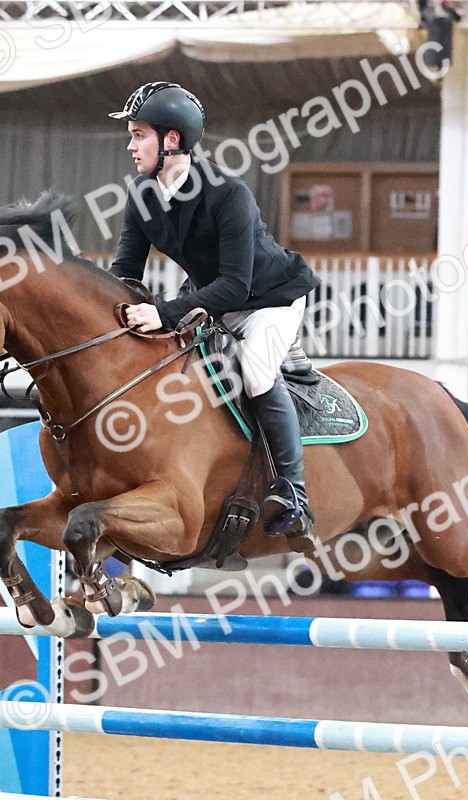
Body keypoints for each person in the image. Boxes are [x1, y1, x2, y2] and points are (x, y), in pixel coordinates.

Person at [108, 81, 319, 552]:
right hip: (210, 295)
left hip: (269, 298)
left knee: (255, 371)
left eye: (138, 134)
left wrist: (162, 312)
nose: (130, 145)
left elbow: (235, 285)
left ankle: (293, 494)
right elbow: (124, 271)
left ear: (172, 140)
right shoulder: (143, 194)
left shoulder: (228, 193)